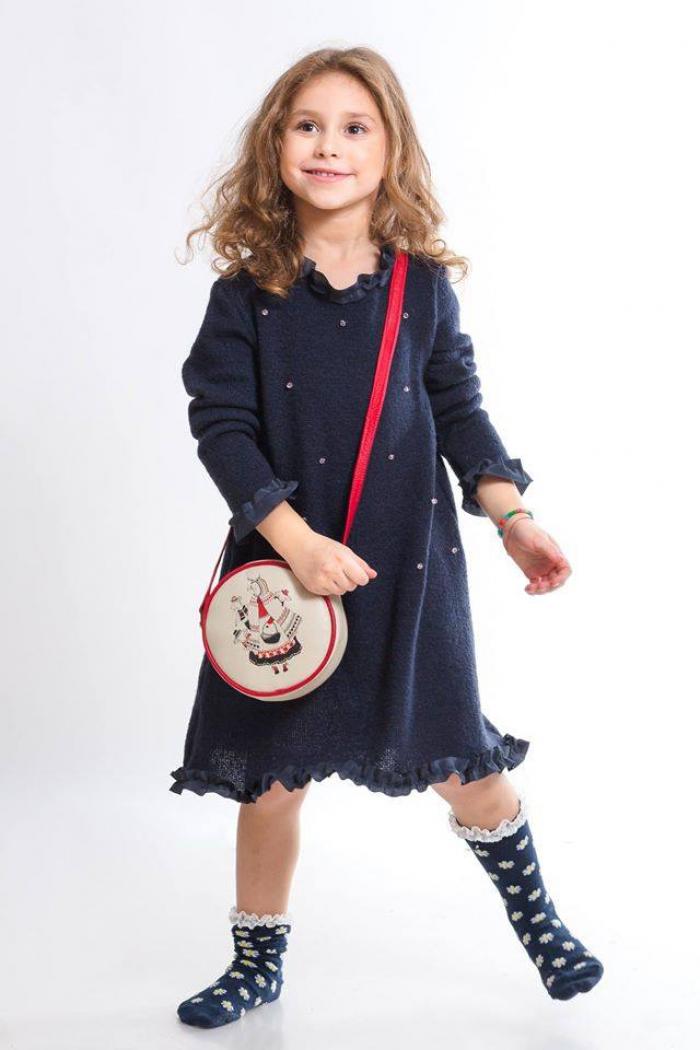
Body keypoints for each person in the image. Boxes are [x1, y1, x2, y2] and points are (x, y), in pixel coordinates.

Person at [170, 46, 604, 1028]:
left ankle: (540, 924)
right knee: (272, 782)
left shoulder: (423, 290)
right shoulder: (244, 295)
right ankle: (256, 961)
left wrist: (513, 518)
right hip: (287, 573)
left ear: (389, 151)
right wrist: (293, 541)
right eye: (307, 125)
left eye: (354, 127)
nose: (329, 144)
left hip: (407, 567)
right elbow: (221, 427)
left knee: (465, 766)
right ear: (275, 145)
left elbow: (459, 410)